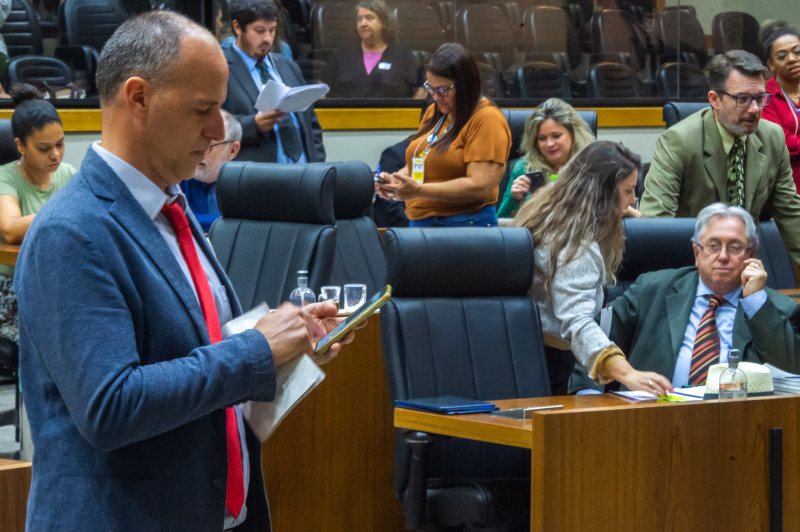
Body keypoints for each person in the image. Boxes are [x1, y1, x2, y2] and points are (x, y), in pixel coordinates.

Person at [16, 11, 354, 530]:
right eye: (204, 108)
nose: (220, 129)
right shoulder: (72, 231)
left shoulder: (174, 207)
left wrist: (288, 348)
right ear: (138, 98)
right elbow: (111, 406)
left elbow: (198, 356)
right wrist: (256, 349)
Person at [570, 203, 800, 394]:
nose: (722, 256)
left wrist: (755, 302)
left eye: (734, 247)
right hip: (649, 419)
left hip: (737, 425)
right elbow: (595, 340)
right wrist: (589, 399)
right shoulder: (651, 290)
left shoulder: (778, 309)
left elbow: (791, 368)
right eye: (713, 246)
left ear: (751, 256)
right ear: (696, 253)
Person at [515, 141, 672, 396]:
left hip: (530, 353)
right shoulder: (576, 246)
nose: (634, 200)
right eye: (628, 191)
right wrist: (627, 373)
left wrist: (625, 213)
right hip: (550, 364)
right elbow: (578, 320)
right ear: (603, 194)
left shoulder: (553, 210)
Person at [640, 50, 800, 265]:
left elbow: (790, 211)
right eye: (743, 99)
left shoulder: (772, 136)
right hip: (690, 265)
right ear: (715, 99)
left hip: (747, 266)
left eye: (760, 98)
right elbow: (656, 223)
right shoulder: (678, 141)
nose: (755, 110)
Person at [375, 42, 511, 227]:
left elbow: (480, 187)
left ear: (465, 84)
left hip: (464, 225)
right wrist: (396, 181)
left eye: (443, 90)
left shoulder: (487, 119)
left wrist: (419, 190)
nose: (436, 97)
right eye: (430, 89)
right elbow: (420, 162)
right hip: (422, 222)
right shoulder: (435, 112)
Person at [0, 84, 75, 346]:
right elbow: (10, 228)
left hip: (59, 280)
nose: (55, 154)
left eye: (60, 144)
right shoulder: (6, 177)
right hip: (14, 288)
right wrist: (62, 209)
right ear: (20, 145)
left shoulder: (67, 173)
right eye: (44, 148)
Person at [222, 0, 325, 163]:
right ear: (237, 27)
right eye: (259, 31)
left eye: (272, 30)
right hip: (258, 178)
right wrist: (253, 125)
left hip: (306, 175)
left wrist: (318, 166)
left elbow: (312, 127)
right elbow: (211, 127)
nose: (267, 39)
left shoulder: (288, 66)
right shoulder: (221, 70)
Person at [496, 98, 594, 218]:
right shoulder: (524, 168)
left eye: (556, 136)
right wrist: (515, 200)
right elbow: (501, 220)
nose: (549, 144)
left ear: (573, 134)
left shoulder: (591, 166)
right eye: (542, 138)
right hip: (534, 234)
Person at [320, 0, 424, 99]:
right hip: (345, 117)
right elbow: (321, 86)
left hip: (391, 117)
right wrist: (324, 116)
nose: (363, 23)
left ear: (383, 22)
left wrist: (411, 115)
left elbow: (423, 88)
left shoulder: (402, 55)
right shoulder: (342, 54)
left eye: (369, 18)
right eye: (359, 19)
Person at [180, 109, 241, 232]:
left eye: (209, 145)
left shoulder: (245, 180)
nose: (197, 151)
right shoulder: (175, 175)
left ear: (232, 151)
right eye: (193, 141)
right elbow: (178, 220)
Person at [760, 21, 800, 192]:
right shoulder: (764, 95)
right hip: (785, 184)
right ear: (770, 64)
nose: (792, 59)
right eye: (782, 56)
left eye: (797, 52)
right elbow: (778, 139)